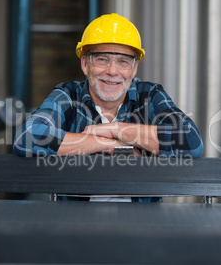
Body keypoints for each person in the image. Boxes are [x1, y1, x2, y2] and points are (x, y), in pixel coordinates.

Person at [13, 13, 203, 202]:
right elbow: (28, 137)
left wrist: (117, 129)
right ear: (85, 64)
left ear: (134, 69)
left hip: (142, 224)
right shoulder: (68, 96)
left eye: (123, 61)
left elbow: (190, 140)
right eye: (102, 59)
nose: (112, 71)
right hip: (75, 224)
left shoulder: (150, 95)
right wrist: (111, 144)